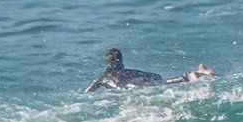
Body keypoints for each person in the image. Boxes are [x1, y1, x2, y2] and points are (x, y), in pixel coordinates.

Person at [85, 48, 215, 91]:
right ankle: (194, 74)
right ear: (121, 61)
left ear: (107, 62)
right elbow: (156, 76)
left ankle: (191, 75)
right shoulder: (128, 71)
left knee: (162, 84)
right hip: (136, 82)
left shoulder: (102, 77)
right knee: (163, 82)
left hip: (130, 88)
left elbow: (88, 93)